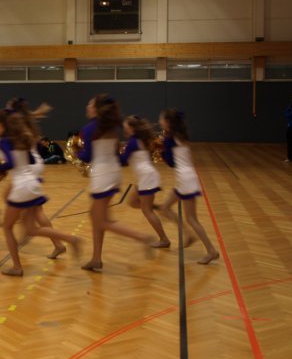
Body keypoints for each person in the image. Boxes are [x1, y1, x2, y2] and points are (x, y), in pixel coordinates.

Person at [0, 107, 80, 276]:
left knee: (7, 227)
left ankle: (17, 267)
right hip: (33, 184)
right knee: (31, 229)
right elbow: (31, 160)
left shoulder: (5, 141)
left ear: (3, 124)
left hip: (21, 187)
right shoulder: (22, 137)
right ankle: (70, 239)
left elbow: (11, 163)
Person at [78, 95, 157, 272]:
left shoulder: (89, 129)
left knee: (101, 221)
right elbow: (115, 152)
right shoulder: (112, 128)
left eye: (90, 103)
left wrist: (77, 153)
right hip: (113, 173)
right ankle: (96, 259)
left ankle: (143, 237)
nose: (87, 106)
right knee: (95, 216)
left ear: (96, 108)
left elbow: (88, 156)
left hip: (102, 176)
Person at [156, 109, 220, 265]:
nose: (159, 121)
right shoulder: (180, 136)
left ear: (168, 122)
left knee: (191, 218)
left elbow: (171, 163)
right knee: (165, 208)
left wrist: (161, 151)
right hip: (187, 177)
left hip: (185, 179)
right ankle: (188, 234)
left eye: (161, 119)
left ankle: (211, 250)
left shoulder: (169, 140)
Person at [122, 115, 170, 247]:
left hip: (146, 177)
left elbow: (123, 161)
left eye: (126, 125)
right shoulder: (137, 140)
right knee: (132, 202)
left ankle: (164, 239)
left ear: (131, 127)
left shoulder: (133, 142)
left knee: (146, 211)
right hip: (145, 177)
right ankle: (160, 208)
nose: (124, 127)